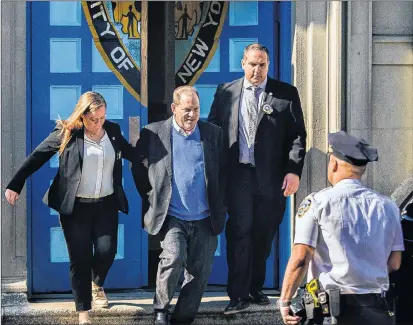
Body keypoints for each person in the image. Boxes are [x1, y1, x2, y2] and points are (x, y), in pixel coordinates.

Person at [5, 91, 137, 325]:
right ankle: (83, 313)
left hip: (106, 204)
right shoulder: (67, 133)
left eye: (102, 118)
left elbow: (132, 154)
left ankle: (96, 283)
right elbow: (37, 157)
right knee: (80, 259)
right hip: (76, 208)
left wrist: (158, 161)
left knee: (107, 251)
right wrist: (15, 184)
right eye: (93, 119)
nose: (98, 124)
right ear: (82, 116)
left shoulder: (113, 132)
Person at [208, 43, 307, 314]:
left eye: (262, 65)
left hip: (271, 178)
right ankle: (237, 294)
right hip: (238, 175)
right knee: (239, 232)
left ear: (268, 65)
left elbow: (297, 136)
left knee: (264, 235)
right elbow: (214, 132)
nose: (257, 70)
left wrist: (293, 170)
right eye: (252, 64)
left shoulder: (285, 94)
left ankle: (255, 287)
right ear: (243, 64)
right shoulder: (225, 92)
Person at [279, 131, 404, 325]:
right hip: (377, 307)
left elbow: (300, 258)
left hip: (333, 310)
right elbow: (395, 263)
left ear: (333, 163)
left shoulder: (318, 202)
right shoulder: (388, 206)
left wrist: (285, 301)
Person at [132, 86, 226, 325]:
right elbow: (139, 170)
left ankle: (183, 319)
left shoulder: (212, 133)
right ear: (174, 108)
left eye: (195, 109)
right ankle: (161, 310)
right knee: (172, 258)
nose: (192, 115)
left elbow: (223, 172)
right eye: (186, 109)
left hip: (205, 216)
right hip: (173, 215)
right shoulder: (153, 133)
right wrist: (153, 197)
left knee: (200, 272)